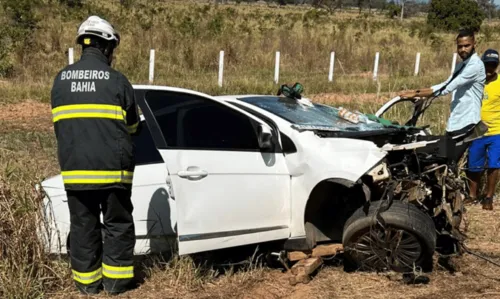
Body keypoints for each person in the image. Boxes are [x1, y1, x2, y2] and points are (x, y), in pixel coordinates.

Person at [50, 16, 141, 295]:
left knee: (83, 227)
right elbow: (134, 126)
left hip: (76, 171)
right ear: (106, 47)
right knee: (117, 224)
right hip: (113, 171)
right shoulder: (117, 80)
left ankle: (88, 285)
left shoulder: (60, 81)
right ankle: (116, 284)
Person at [398, 29, 486, 165]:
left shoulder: (475, 66)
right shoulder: (462, 65)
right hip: (456, 121)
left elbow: (448, 87)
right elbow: (446, 83)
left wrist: (416, 93)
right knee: (442, 161)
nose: (463, 49)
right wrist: (421, 96)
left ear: (474, 44)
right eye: (460, 46)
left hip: (467, 123)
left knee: (445, 161)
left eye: (466, 45)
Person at [467, 49, 500, 210]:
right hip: (476, 132)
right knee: (474, 164)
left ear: (497, 66)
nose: (489, 69)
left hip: (496, 132)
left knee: (494, 165)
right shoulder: (475, 82)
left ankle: (488, 197)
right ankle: (472, 195)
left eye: (493, 66)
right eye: (486, 65)